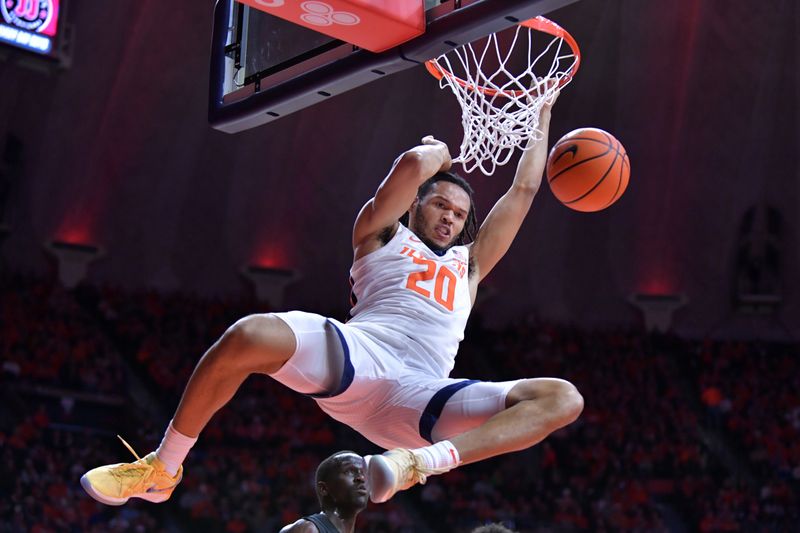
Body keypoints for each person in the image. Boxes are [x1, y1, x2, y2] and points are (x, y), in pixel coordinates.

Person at [80, 94, 583, 506]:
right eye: (441, 204)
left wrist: (541, 114)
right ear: (416, 205)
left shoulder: (468, 265)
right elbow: (410, 165)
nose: (452, 217)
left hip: (423, 393)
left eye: (459, 213)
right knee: (248, 335)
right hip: (360, 356)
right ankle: (162, 469)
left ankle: (416, 465)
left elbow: (523, 190)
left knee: (562, 398)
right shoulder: (381, 232)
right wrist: (437, 156)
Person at [280, 451, 368, 533]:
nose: (361, 478)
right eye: (349, 471)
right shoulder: (309, 529)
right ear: (323, 488)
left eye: (364, 472)